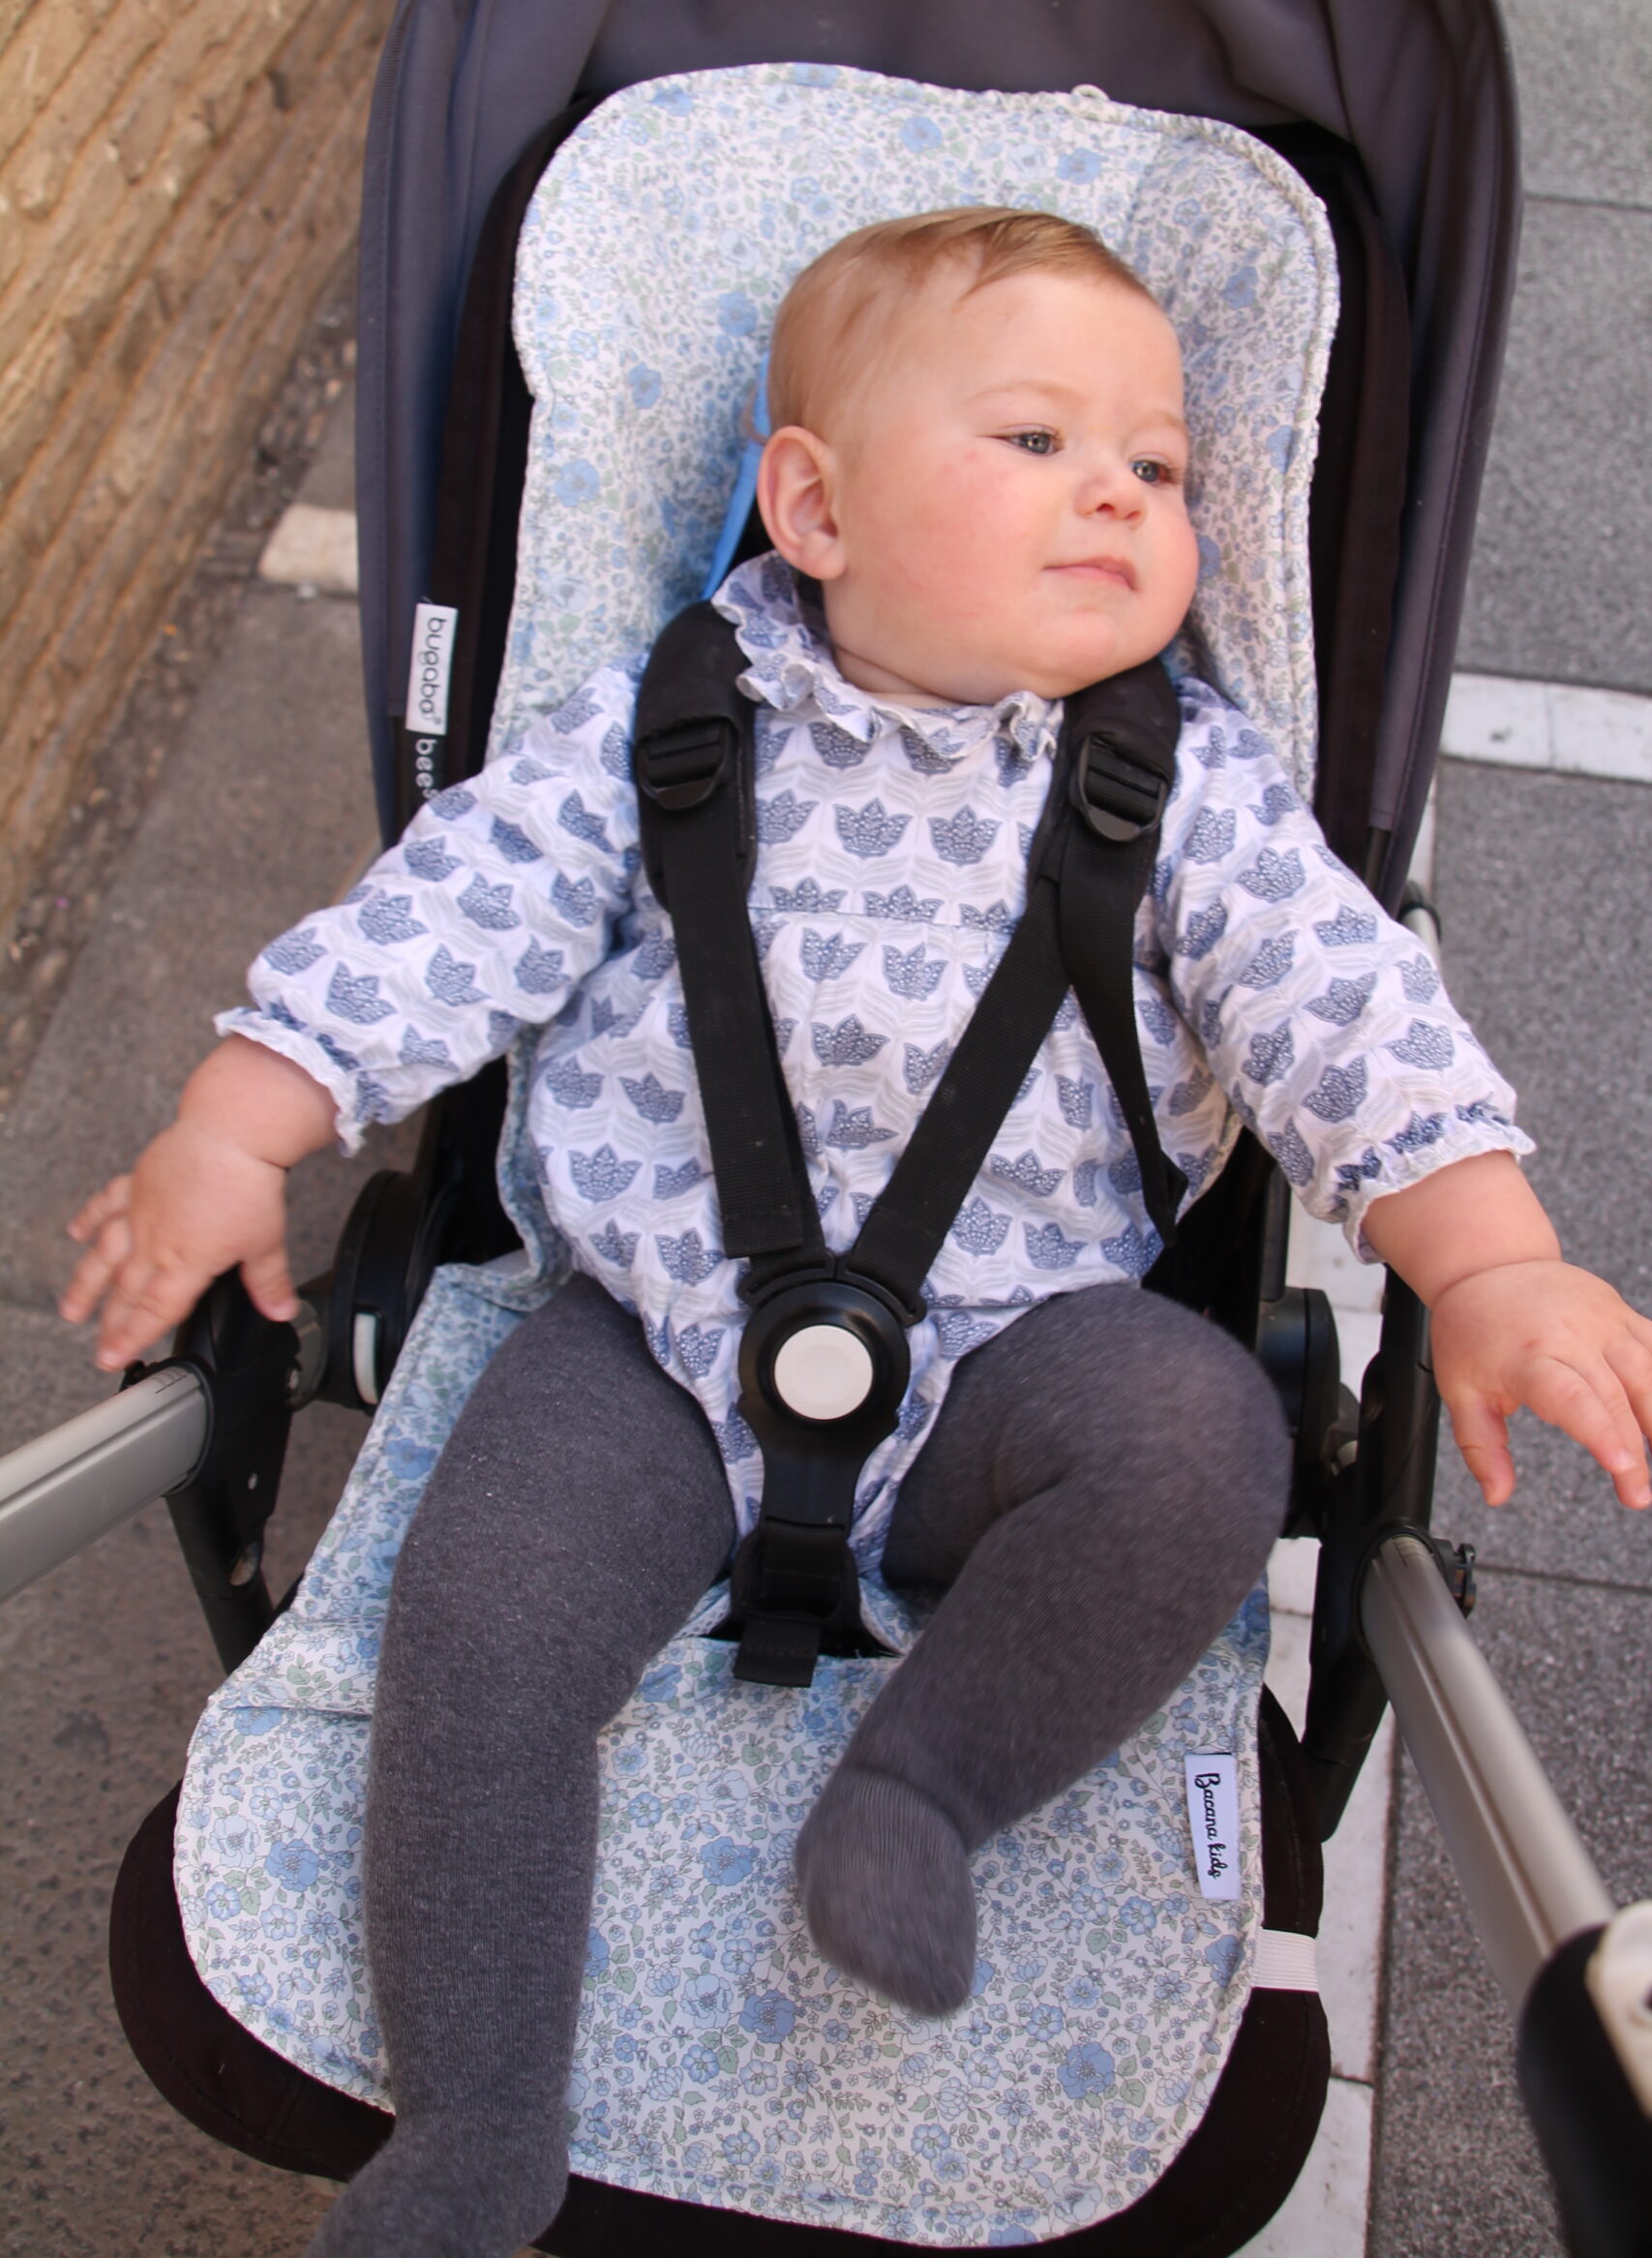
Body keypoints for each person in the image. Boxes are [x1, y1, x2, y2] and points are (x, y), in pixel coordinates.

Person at [61, 209, 1652, 2257]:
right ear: (814, 506)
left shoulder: (1182, 784)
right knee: (482, 1628)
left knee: (1199, 1433)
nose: (1118, 492)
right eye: (1036, 439)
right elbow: (446, 918)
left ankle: (922, 1788)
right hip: (649, 1335)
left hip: (1013, 1360)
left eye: (1159, 464)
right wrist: (235, 1122)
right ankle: (476, 2116)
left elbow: (1343, 1013)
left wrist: (1489, 1258)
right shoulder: (672, 727)